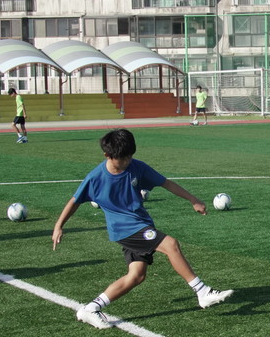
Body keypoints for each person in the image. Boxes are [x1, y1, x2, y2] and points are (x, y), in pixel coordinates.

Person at [53, 128, 232, 326]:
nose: (127, 161)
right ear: (107, 155)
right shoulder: (95, 178)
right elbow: (74, 201)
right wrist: (59, 225)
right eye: (123, 158)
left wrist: (192, 199)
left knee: (136, 276)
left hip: (140, 224)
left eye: (130, 156)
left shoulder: (137, 167)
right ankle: (202, 291)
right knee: (170, 244)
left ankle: (91, 308)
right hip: (125, 229)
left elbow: (166, 183)